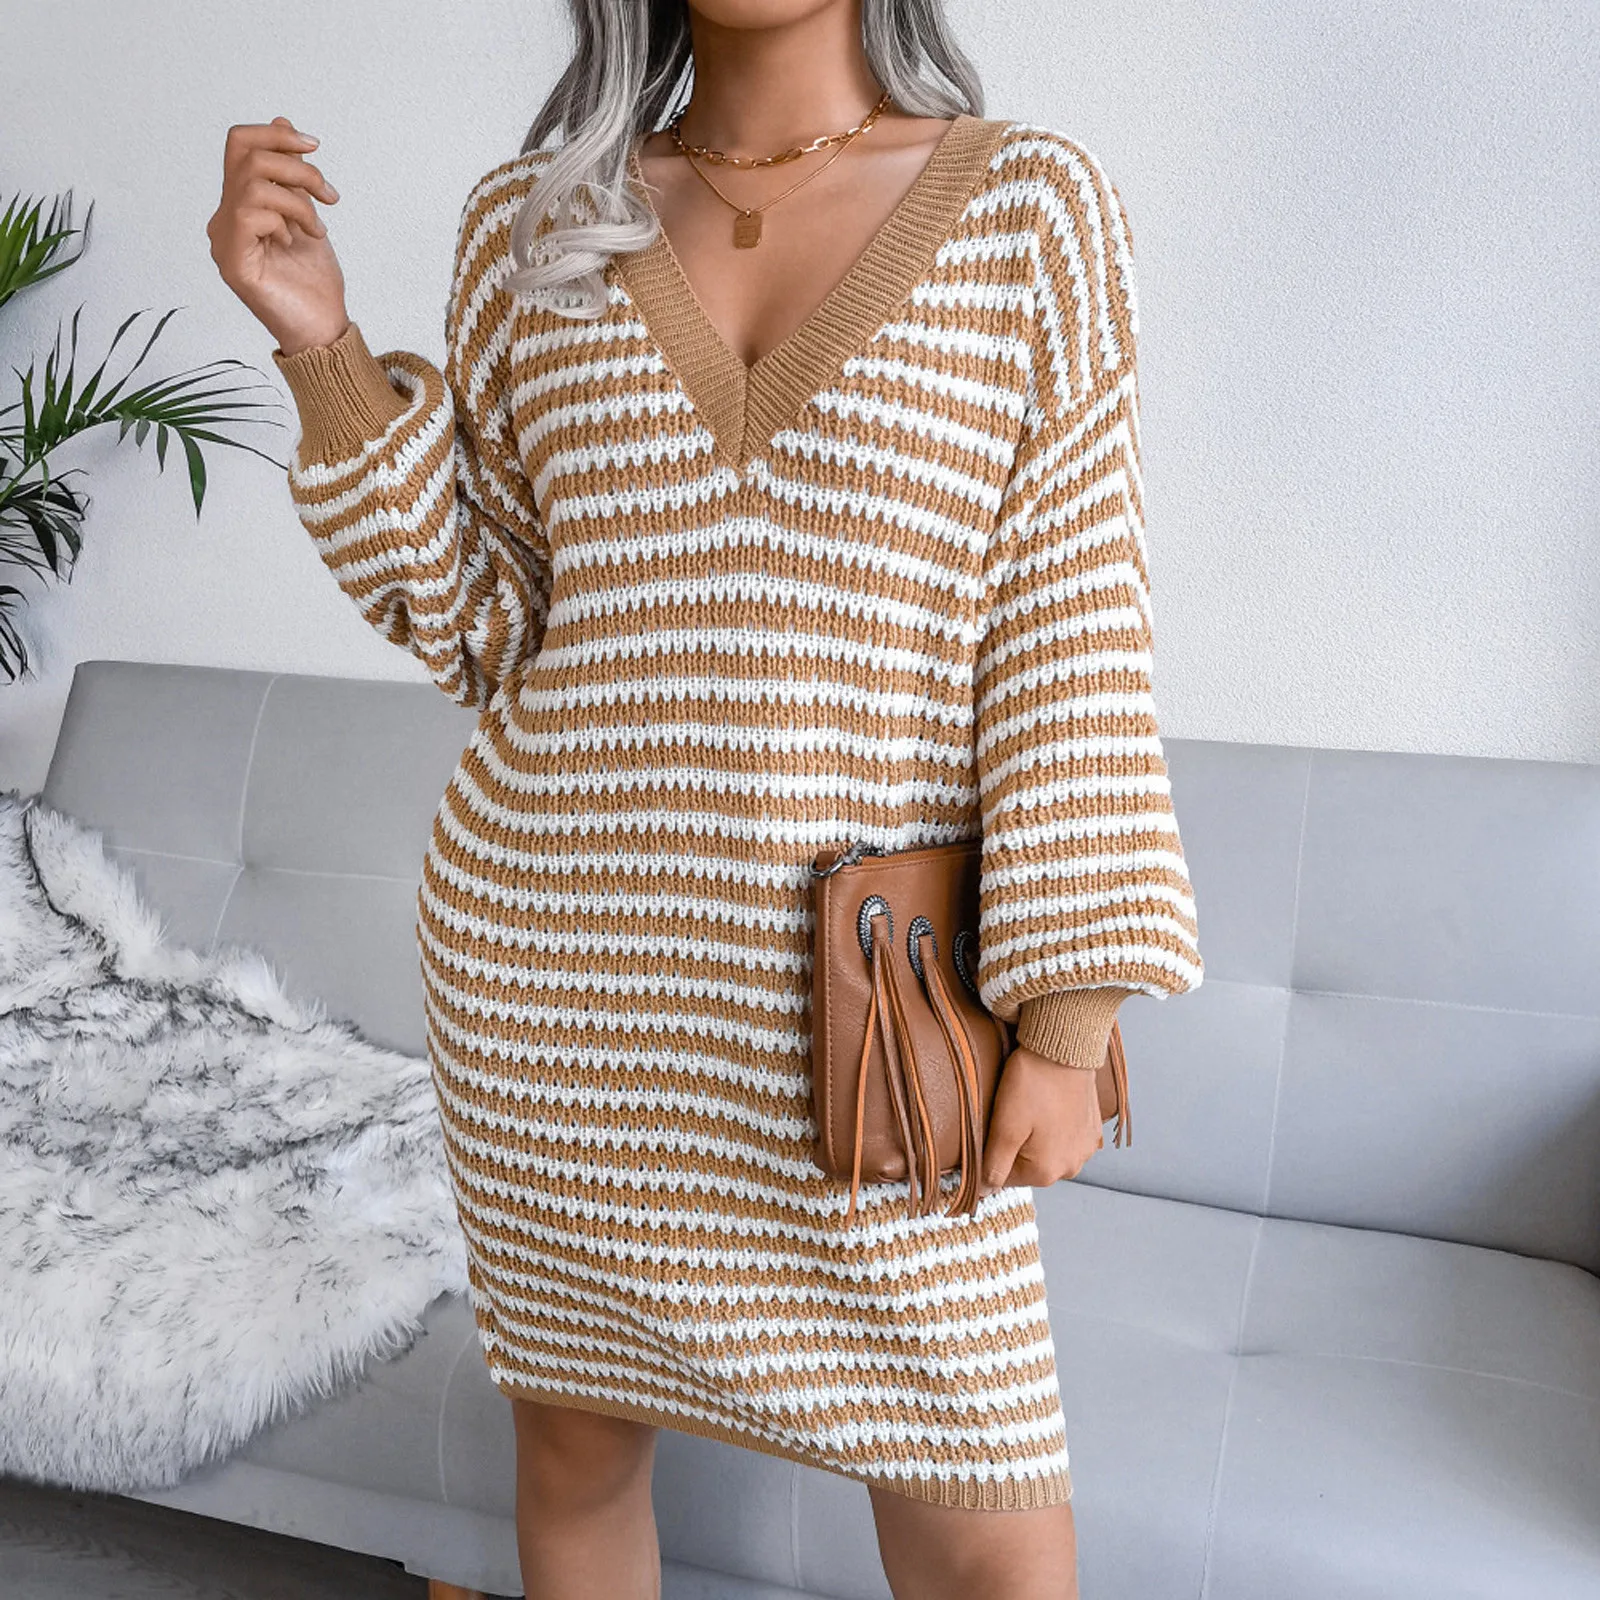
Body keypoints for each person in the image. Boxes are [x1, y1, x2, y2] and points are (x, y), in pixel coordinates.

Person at [207, 3, 1203, 1595]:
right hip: (554, 993)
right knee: (576, 1458)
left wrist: (1070, 1015)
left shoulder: (1030, 209)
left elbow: (1071, 628)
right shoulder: (532, 227)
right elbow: (485, 625)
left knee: (989, 1537)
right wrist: (322, 345)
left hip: (866, 1026)